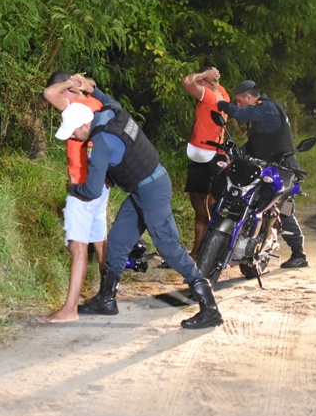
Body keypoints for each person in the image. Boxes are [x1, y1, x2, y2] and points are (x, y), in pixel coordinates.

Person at [55, 102, 223, 329]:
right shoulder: (112, 114)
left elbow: (92, 191)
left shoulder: (100, 140)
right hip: (143, 187)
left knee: (168, 246)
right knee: (117, 240)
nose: (74, 136)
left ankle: (209, 307)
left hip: (152, 190)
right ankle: (106, 299)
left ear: (86, 123)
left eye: (75, 131)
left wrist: (73, 188)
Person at [40, 71, 118, 322]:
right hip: (101, 185)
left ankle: (70, 309)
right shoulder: (95, 103)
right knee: (99, 241)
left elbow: (49, 93)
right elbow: (93, 87)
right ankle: (109, 296)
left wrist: (68, 85)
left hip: (83, 187)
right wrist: (84, 85)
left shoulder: (74, 107)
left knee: (78, 247)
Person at [217, 80, 308, 269]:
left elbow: (238, 113)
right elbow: (255, 143)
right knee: (249, 200)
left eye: (240, 101)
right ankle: (246, 240)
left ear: (248, 97)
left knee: (282, 209)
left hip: (283, 167)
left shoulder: (267, 108)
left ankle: (299, 254)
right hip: (266, 166)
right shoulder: (258, 116)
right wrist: (234, 156)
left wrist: (222, 104)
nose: (239, 104)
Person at [180, 66, 229, 261]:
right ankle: (203, 250)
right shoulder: (222, 93)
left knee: (200, 207)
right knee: (212, 203)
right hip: (217, 153)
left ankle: (204, 249)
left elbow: (187, 81)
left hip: (204, 154)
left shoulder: (208, 95)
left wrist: (202, 76)